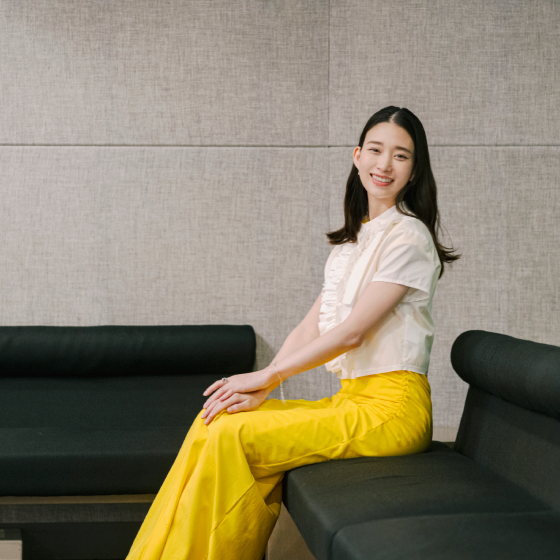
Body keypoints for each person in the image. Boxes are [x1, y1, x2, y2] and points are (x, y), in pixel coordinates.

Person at [125, 106, 458, 560]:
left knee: (232, 437)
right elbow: (310, 326)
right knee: (215, 422)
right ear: (357, 156)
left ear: (414, 171)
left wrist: (270, 376)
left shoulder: (409, 236)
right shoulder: (354, 243)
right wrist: (264, 385)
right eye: (375, 150)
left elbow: (352, 334)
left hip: (393, 411)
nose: (384, 164)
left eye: (400, 156)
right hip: (353, 400)